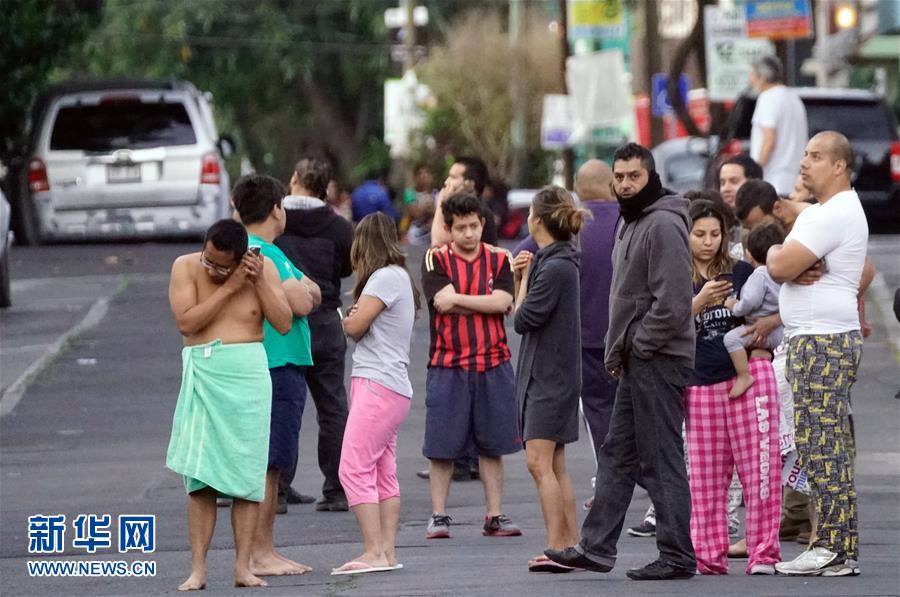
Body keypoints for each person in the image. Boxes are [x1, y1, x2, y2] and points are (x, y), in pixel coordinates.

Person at [545, 143, 696, 581]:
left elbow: (673, 303)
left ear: (651, 176)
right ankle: (596, 548)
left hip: (659, 358)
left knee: (661, 459)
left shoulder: (663, 224)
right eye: (620, 177)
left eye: (635, 176)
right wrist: (621, 352)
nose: (626, 183)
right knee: (617, 455)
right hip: (638, 359)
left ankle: (677, 556)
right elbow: (627, 300)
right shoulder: (632, 221)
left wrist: (639, 345)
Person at [166, 219, 293, 590]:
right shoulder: (185, 267)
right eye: (209, 260)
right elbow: (188, 323)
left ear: (240, 259)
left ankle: (243, 567)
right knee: (201, 477)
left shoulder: (262, 270)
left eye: (222, 266)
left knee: (247, 476)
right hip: (205, 369)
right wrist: (230, 287)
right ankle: (198, 569)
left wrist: (257, 282)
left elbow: (283, 323)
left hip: (249, 374)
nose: (212, 269)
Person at [769, 132, 867, 577]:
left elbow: (779, 266)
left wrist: (778, 253)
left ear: (839, 166)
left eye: (816, 156)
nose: (804, 163)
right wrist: (786, 252)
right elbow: (788, 256)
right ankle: (838, 546)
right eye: (805, 154)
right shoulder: (824, 212)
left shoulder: (834, 212)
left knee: (822, 446)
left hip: (822, 341)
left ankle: (832, 546)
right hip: (817, 338)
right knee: (823, 445)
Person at [684, 200, 782, 575]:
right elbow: (662, 323)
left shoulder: (742, 271)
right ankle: (707, 556)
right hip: (699, 384)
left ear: (726, 236)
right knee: (706, 478)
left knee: (761, 472)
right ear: (685, 235)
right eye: (699, 234)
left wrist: (769, 328)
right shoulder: (675, 276)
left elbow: (780, 300)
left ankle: (764, 553)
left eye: (715, 234)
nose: (708, 241)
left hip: (751, 378)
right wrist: (698, 302)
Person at [231, 174, 320, 577]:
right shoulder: (268, 253)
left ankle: (259, 550)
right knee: (270, 464)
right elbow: (304, 300)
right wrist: (299, 288)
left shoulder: (245, 250)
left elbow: (310, 291)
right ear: (275, 210)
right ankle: (260, 551)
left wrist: (303, 288)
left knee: (263, 462)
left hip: (255, 363)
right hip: (277, 364)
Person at [420, 193, 522, 540]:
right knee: (441, 447)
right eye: (461, 227)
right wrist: (487, 303)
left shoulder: (500, 258)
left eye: (474, 226)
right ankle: (438, 516)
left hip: (493, 362)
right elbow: (442, 303)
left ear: (482, 224)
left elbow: (504, 301)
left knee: (492, 445)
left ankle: (495, 514)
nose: (468, 233)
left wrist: (461, 301)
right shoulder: (435, 258)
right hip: (448, 363)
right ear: (448, 229)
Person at [513, 160, 620, 479]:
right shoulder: (627, 222)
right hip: (624, 336)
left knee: (598, 414)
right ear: (612, 185)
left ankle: (610, 480)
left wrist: (523, 280)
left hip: (580, 343)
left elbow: (519, 257)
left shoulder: (568, 230)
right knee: (630, 414)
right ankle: (635, 480)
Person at [332, 212, 419, 575]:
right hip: (392, 385)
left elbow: (354, 326)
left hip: (377, 383)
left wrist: (347, 318)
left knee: (353, 467)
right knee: (383, 470)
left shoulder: (383, 277)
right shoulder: (400, 277)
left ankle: (372, 550)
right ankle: (386, 551)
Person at [512, 186, 586, 573]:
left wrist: (522, 279)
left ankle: (558, 546)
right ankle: (569, 544)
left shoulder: (555, 266)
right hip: (555, 374)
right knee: (555, 464)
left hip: (549, 377)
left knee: (538, 462)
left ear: (537, 220)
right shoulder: (557, 260)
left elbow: (523, 318)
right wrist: (525, 276)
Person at [277, 154, 354, 512]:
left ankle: (277, 488)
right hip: (325, 320)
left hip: (282, 321)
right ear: (327, 188)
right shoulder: (338, 226)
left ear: (294, 178)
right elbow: (346, 267)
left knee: (282, 406)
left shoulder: (276, 220)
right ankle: (337, 488)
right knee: (333, 406)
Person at [723, 224, 786, 398]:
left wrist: (735, 307)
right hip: (777, 333)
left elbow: (751, 301)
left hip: (758, 329)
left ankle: (744, 376)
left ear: (748, 254)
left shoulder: (759, 274)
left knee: (730, 340)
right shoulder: (783, 274)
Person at [749, 55, 808, 194]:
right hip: (794, 179)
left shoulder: (768, 98)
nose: (750, 80)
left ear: (762, 77)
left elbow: (769, 140)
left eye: (752, 74)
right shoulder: (793, 98)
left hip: (772, 178)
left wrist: (755, 172)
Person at [430, 156, 498, 246]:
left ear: (470, 184)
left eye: (453, 177)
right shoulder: (457, 207)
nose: (446, 182)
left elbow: (438, 245)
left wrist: (442, 201)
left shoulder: (474, 210)